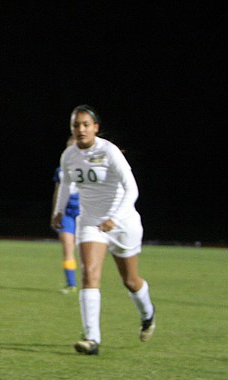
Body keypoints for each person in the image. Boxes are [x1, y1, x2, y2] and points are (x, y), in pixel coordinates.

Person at [52, 105, 155, 355]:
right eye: (76, 125)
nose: (81, 129)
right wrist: (59, 209)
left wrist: (115, 218)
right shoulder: (69, 155)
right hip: (90, 222)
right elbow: (66, 183)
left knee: (130, 281)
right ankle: (92, 339)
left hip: (124, 222)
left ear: (95, 127)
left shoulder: (109, 152)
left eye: (86, 124)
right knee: (90, 273)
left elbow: (132, 189)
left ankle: (147, 314)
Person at [51, 136, 79, 294]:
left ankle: (90, 284)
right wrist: (55, 213)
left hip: (84, 212)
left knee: (85, 250)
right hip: (66, 214)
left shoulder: (88, 168)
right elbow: (57, 192)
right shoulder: (61, 170)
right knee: (68, 247)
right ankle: (71, 284)